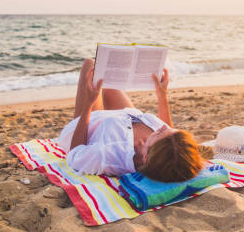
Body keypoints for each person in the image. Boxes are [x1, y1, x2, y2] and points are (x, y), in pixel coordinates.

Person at [57, 58, 204, 182]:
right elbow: (169, 138)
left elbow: (75, 154)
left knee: (91, 65)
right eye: (172, 131)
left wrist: (89, 104)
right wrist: (162, 95)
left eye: (160, 134)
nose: (164, 127)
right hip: (126, 116)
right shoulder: (163, 147)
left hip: (91, 122)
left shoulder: (111, 156)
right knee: (108, 74)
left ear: (146, 157)